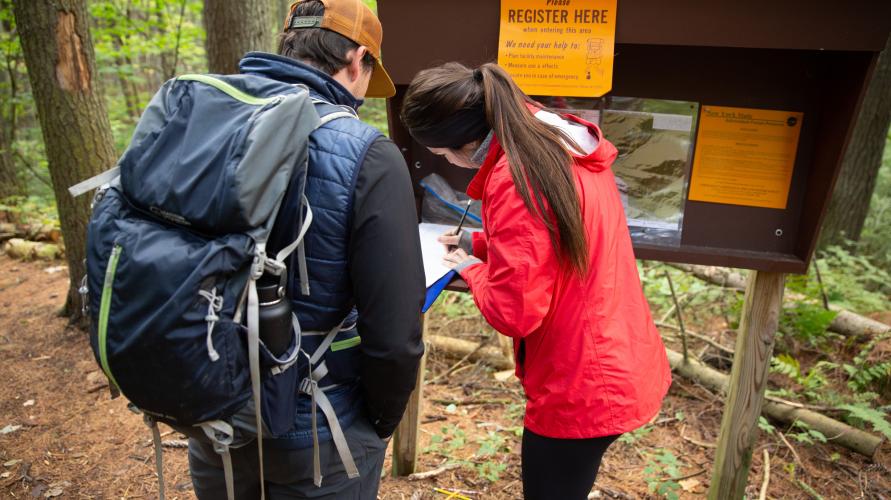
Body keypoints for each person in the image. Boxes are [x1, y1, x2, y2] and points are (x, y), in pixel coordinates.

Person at [401, 62, 672, 500]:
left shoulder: (517, 175)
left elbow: (515, 311)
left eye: (441, 153)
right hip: (612, 349)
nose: (446, 162)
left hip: (580, 379)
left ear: (462, 142)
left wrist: (467, 268)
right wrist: (480, 242)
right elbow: (554, 237)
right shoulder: (553, 142)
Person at [187, 1, 425, 498]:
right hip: (318, 426)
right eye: (367, 76)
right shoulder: (368, 154)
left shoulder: (209, 124)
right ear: (357, 59)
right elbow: (395, 333)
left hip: (212, 409)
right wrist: (377, 425)